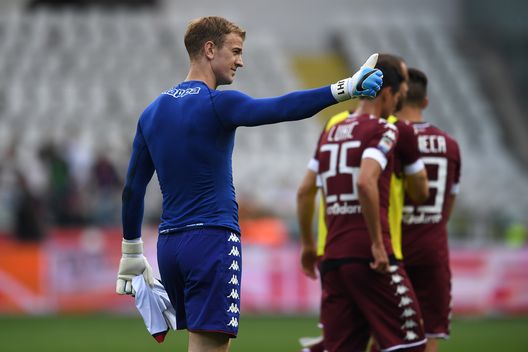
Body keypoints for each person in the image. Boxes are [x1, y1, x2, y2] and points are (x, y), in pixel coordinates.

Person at [115, 16, 383, 352]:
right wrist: (344, 88)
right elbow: (281, 107)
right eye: (236, 51)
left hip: (169, 247)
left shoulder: (151, 113)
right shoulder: (218, 103)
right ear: (210, 49)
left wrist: (131, 250)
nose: (241, 60)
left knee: (199, 344)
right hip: (211, 240)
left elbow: (132, 188)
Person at [297, 54, 428, 352]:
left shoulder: (331, 130)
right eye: (399, 96)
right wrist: (378, 244)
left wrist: (307, 244)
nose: (399, 105)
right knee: (412, 344)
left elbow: (305, 190)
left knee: (342, 346)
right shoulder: (386, 129)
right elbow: (366, 181)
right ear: (387, 92)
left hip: (332, 256)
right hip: (371, 254)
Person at [397, 68, 462, 352]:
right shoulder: (450, 145)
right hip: (432, 247)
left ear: (397, 99)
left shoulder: (389, 137)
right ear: (425, 102)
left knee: (384, 332)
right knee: (429, 336)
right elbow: (449, 202)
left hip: (395, 248)